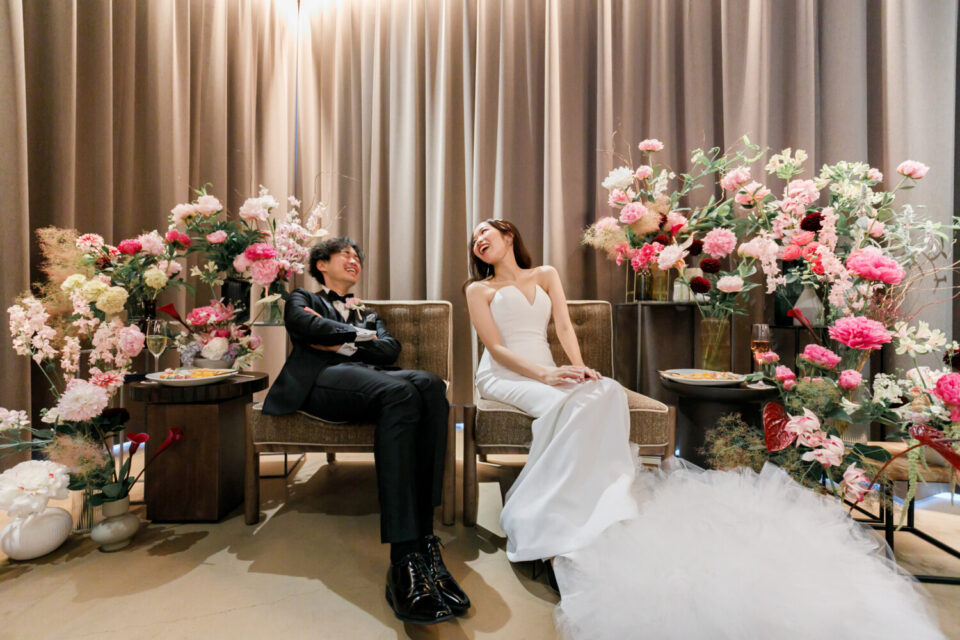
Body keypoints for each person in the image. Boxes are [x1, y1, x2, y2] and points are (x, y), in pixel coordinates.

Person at [464, 218, 944, 639]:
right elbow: (495, 347)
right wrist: (546, 376)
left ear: (508, 234)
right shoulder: (477, 289)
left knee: (605, 391)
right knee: (564, 406)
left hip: (552, 368)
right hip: (508, 374)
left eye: (485, 231)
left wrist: (581, 369)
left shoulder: (545, 274)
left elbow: (565, 329)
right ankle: (547, 506)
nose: (478, 240)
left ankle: (598, 488)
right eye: (474, 240)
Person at [263, 236, 469, 625]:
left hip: (365, 378)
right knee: (399, 392)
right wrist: (358, 338)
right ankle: (404, 558)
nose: (354, 259)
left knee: (430, 386)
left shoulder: (367, 312)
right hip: (319, 383)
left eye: (357, 255)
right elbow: (304, 325)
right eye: (345, 254)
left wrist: (339, 340)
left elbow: (389, 350)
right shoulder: (302, 298)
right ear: (321, 264)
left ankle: (425, 543)